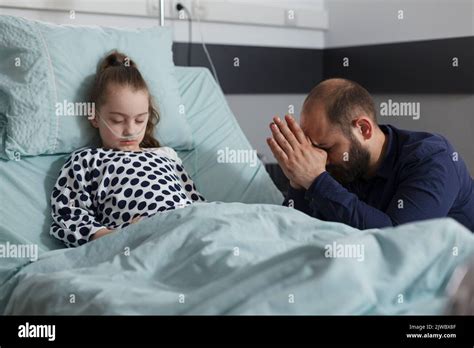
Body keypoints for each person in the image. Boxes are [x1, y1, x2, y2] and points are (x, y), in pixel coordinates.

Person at [267, 78, 474, 231]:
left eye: (327, 148)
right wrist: (297, 181)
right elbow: (299, 230)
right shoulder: (342, 166)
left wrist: (316, 180)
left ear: (364, 129)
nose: (320, 158)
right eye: (312, 148)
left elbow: (396, 239)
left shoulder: (432, 159)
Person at [50, 51, 205, 247]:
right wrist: (117, 237)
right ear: (94, 116)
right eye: (117, 120)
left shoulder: (166, 156)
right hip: (142, 242)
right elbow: (68, 215)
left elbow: (196, 202)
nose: (130, 130)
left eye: (140, 119)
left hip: (190, 229)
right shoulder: (86, 160)